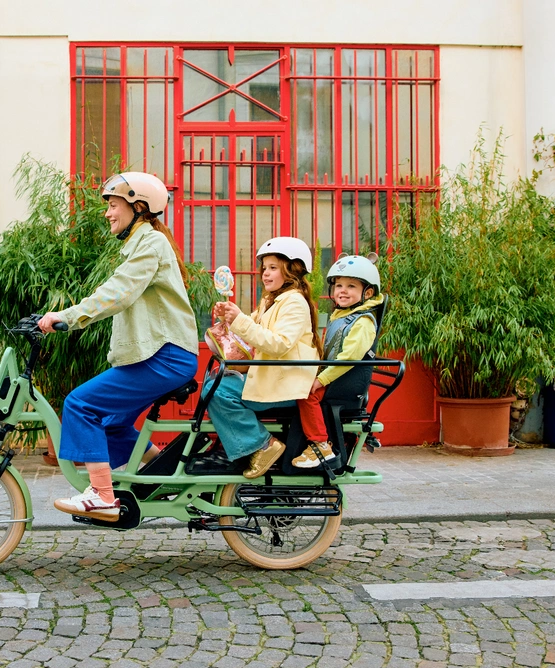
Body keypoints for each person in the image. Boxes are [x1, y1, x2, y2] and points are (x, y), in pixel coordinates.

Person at [37, 172, 199, 522]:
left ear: (139, 207)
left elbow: (117, 293)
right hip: (160, 355)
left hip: (165, 356)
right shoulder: (142, 245)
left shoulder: (151, 244)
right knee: (111, 424)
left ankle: (101, 496)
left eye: (113, 205)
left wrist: (67, 317)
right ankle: (163, 473)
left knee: (79, 404)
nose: (108, 213)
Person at [206, 237, 322, 479]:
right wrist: (230, 317)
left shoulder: (294, 302)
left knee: (217, 391)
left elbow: (279, 343)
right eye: (264, 268)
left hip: (286, 383)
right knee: (212, 384)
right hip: (272, 376)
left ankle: (263, 445)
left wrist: (239, 319)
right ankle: (236, 446)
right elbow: (253, 332)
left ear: (292, 270)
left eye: (273, 268)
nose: (265, 274)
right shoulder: (272, 301)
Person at [293, 254, 383, 468]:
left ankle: (320, 445)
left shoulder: (363, 321)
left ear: (367, 293)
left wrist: (321, 380)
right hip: (335, 377)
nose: (342, 290)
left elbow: (348, 358)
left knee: (307, 394)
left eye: (351, 286)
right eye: (339, 285)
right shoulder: (340, 315)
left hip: (344, 382)